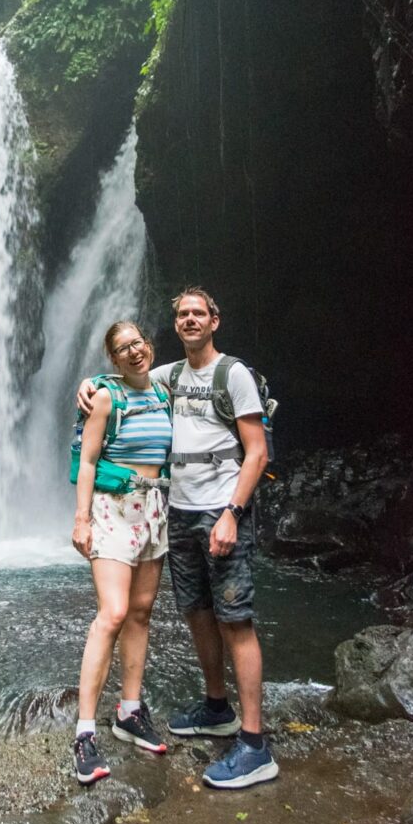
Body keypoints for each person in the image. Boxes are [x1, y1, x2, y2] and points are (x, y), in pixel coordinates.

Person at [77, 288, 279, 789]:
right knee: (197, 612)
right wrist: (89, 382)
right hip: (176, 511)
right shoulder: (168, 377)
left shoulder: (233, 375)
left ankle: (255, 745)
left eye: (198, 313)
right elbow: (124, 380)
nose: (190, 320)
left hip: (219, 510)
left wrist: (233, 512)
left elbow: (257, 453)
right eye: (182, 314)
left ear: (215, 320)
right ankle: (217, 707)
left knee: (236, 619)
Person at [71, 320, 173, 785]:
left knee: (141, 612)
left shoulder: (164, 390)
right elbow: (88, 460)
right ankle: (84, 733)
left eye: (138, 343)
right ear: (112, 359)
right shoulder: (107, 396)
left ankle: (129, 711)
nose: (134, 352)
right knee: (111, 613)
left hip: (153, 508)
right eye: (122, 348)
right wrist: (81, 519)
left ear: (148, 347)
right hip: (113, 510)